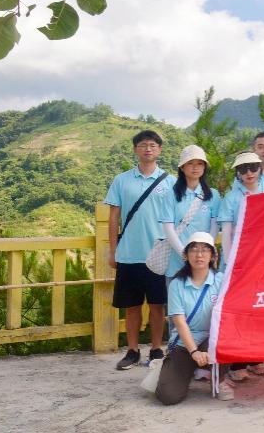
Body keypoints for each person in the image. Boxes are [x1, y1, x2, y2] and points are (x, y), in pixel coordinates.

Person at [105, 130, 175, 370]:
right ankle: (132, 351)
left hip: (160, 254)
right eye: (143, 145)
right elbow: (113, 218)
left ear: (159, 150)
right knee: (131, 306)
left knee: (158, 305)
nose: (148, 149)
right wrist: (113, 250)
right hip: (129, 254)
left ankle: (156, 349)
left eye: (153, 145)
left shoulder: (170, 182)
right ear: (136, 149)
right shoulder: (121, 180)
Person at [154, 233, 233, 404]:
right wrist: (194, 352)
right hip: (184, 344)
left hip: (211, 340)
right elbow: (179, 322)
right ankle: (190, 370)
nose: (199, 255)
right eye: (194, 249)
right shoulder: (177, 284)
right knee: (168, 396)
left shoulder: (221, 281)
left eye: (205, 250)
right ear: (185, 255)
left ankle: (219, 378)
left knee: (226, 339)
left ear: (213, 256)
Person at [217, 151, 264, 382]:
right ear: (237, 173)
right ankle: (238, 362)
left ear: (260, 168)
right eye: (243, 169)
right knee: (238, 312)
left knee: (259, 310)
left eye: (253, 167)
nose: (249, 173)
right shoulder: (231, 198)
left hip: (263, 261)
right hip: (239, 262)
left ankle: (256, 358)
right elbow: (226, 233)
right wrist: (231, 264)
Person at [159, 145, 220, 279]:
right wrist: (185, 254)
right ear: (182, 167)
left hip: (203, 260)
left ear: (204, 167)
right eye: (190, 163)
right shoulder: (171, 194)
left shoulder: (213, 195)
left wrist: (204, 252)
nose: (195, 167)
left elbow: (215, 226)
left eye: (200, 163)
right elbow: (168, 228)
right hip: (176, 260)